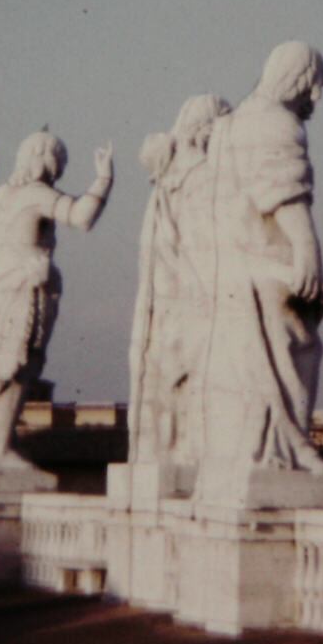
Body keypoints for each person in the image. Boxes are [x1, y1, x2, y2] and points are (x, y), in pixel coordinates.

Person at [196, 42, 323, 504]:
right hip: (269, 269)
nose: (315, 101)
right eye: (315, 88)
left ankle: (259, 453)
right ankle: (289, 452)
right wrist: (308, 251)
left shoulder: (228, 126)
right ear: (299, 81)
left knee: (249, 370)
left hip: (230, 275)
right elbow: (283, 192)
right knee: (298, 353)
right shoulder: (278, 123)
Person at [0, 131, 113, 468]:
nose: (56, 173)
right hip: (27, 290)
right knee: (22, 365)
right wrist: (104, 179)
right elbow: (81, 217)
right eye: (58, 164)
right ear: (48, 160)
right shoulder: (37, 195)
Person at [127, 94, 229, 470]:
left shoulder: (165, 181)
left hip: (164, 304)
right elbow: (207, 251)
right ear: (208, 131)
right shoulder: (202, 177)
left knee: (167, 378)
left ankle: (165, 452)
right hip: (190, 297)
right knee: (188, 375)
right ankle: (181, 451)